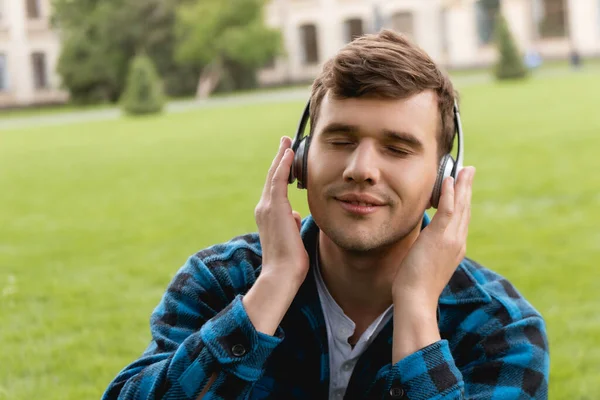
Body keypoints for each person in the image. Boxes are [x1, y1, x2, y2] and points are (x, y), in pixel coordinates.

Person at [102, 30, 549, 400]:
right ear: (299, 159)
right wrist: (273, 284)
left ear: (442, 180)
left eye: (397, 148)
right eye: (339, 140)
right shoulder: (222, 282)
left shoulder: (500, 328)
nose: (361, 170)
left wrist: (416, 305)